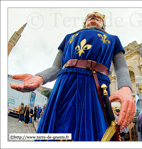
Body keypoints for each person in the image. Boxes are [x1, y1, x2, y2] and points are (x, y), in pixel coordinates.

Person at [10, 12, 135, 141]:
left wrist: (126, 87)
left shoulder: (113, 39)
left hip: (94, 86)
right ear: (84, 22)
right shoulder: (69, 37)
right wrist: (40, 77)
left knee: (91, 131)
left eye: (99, 18)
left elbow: (121, 68)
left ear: (103, 24)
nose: (94, 16)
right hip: (65, 84)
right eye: (90, 16)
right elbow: (56, 67)